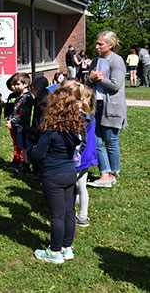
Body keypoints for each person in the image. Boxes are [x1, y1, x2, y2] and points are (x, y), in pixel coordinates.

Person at [28, 88, 84, 264]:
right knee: (68, 212)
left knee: (57, 215)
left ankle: (54, 251)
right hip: (70, 173)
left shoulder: (51, 130)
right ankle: (67, 247)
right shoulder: (74, 129)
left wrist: (31, 150)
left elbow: (38, 154)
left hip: (53, 175)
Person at [85, 30, 127, 187]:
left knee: (111, 140)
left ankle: (113, 173)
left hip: (112, 107)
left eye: (100, 44)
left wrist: (99, 79)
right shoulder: (96, 61)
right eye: (96, 43)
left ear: (110, 45)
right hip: (97, 105)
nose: (96, 47)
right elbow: (88, 83)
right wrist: (91, 79)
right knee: (95, 140)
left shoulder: (117, 61)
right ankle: (105, 172)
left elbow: (115, 86)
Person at [66, 82, 97, 227]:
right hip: (88, 154)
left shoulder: (80, 116)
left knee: (73, 185)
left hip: (80, 156)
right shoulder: (89, 113)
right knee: (81, 185)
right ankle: (83, 214)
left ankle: (73, 213)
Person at [6, 73, 34, 175]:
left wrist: (12, 122)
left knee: (25, 147)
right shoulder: (19, 96)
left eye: (18, 84)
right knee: (21, 146)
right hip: (17, 126)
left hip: (23, 126)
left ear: (25, 84)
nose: (16, 87)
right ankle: (23, 164)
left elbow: (22, 113)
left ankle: (26, 166)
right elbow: (14, 110)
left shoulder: (28, 97)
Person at [28, 76, 50, 178]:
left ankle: (39, 172)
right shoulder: (38, 99)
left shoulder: (44, 101)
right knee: (31, 151)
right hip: (35, 128)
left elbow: (42, 118)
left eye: (35, 90)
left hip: (39, 130)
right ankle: (36, 171)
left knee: (35, 152)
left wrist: (38, 131)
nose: (33, 92)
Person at [4, 74, 22, 171]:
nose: (14, 87)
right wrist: (6, 116)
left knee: (19, 143)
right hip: (10, 122)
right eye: (12, 85)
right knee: (15, 142)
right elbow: (7, 107)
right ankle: (15, 159)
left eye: (15, 85)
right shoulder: (11, 96)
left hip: (18, 124)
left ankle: (20, 160)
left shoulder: (21, 97)